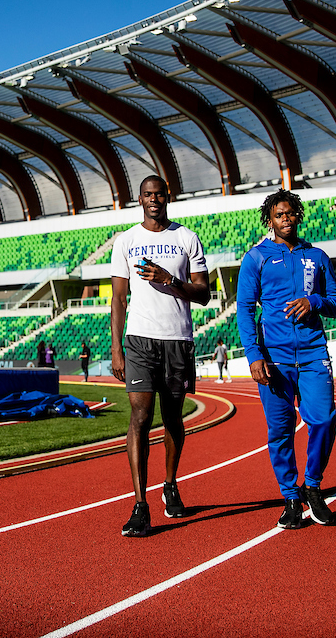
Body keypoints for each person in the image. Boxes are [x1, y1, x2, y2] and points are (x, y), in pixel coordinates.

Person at [111, 175, 210, 537]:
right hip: (139, 339)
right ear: (139, 199)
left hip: (177, 340)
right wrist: (116, 347)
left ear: (169, 197)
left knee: (172, 419)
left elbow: (204, 294)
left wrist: (170, 279)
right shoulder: (126, 241)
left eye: (160, 194)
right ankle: (140, 504)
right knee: (140, 416)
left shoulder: (187, 238)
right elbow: (119, 298)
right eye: (148, 194)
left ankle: (170, 484)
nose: (154, 199)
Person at [237, 188, 336, 529]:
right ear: (270, 220)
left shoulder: (318, 256)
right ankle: (290, 498)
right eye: (278, 215)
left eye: (290, 213)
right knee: (280, 431)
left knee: (324, 420)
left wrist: (314, 302)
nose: (285, 219)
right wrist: (254, 355)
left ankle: (312, 486)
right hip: (275, 359)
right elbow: (244, 309)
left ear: (298, 215)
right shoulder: (256, 258)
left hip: (313, 353)